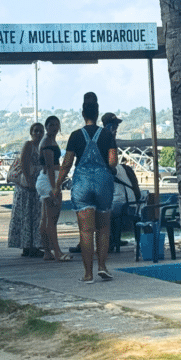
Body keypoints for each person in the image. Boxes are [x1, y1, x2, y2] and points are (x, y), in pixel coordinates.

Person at [56, 93, 118, 283]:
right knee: (103, 228)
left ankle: (88, 274)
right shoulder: (107, 134)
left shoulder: (75, 136)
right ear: (98, 113)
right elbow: (113, 162)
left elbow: (66, 163)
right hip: (102, 183)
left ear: (83, 114)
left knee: (85, 231)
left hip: (82, 184)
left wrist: (57, 185)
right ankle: (103, 266)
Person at [102, 112, 142, 249]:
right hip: (127, 200)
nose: (116, 128)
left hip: (123, 202)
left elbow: (110, 168)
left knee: (99, 210)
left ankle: (107, 243)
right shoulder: (109, 140)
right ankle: (113, 240)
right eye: (115, 125)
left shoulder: (114, 167)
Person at [7, 123, 44, 257]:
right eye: (36, 131)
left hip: (32, 186)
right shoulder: (29, 145)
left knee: (30, 217)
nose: (38, 133)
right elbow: (24, 162)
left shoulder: (40, 147)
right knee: (28, 216)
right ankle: (30, 247)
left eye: (40, 131)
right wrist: (29, 181)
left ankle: (29, 246)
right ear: (31, 132)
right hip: (27, 188)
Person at [37, 116, 70, 261]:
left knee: (45, 218)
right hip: (50, 180)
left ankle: (47, 252)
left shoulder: (49, 141)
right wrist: (55, 188)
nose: (54, 128)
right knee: (52, 218)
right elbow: (50, 167)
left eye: (57, 125)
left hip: (47, 179)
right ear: (46, 126)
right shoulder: (48, 143)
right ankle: (57, 252)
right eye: (51, 125)